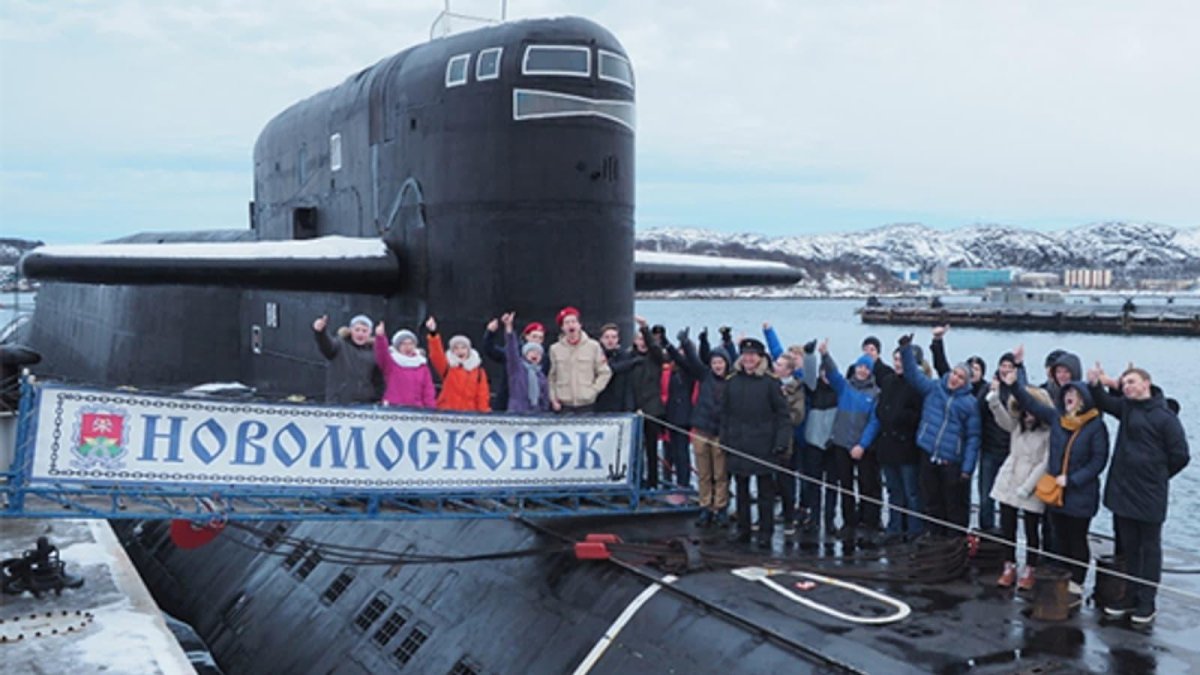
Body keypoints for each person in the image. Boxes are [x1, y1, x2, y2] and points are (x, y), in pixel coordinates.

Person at [1091, 365, 1189, 624]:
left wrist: (1158, 475)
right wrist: (1095, 383)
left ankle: (1147, 601)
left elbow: (1181, 455)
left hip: (1149, 493)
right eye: (1125, 384)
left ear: (1147, 383)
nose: (1127, 387)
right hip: (1124, 490)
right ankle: (1129, 595)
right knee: (1130, 548)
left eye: (1132, 382)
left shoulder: (1165, 417)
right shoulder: (1126, 408)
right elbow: (1102, 401)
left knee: (1149, 549)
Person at [1010, 345, 1108, 602]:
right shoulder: (1057, 418)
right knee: (1058, 536)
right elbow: (1030, 401)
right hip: (1055, 493)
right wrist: (1014, 382)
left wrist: (1072, 479)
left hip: (1080, 493)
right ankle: (1060, 575)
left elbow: (1098, 461)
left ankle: (1077, 582)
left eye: (1074, 394)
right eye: (1066, 394)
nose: (1068, 397)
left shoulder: (1095, 425)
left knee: (1077, 539)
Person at [899, 334, 981, 539]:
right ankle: (934, 538)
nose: (955, 378)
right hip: (928, 453)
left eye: (961, 377)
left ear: (966, 382)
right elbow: (912, 375)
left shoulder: (970, 404)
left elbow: (973, 437)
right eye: (955, 373)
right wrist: (906, 350)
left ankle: (953, 542)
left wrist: (968, 468)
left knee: (952, 505)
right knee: (931, 501)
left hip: (951, 460)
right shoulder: (935, 388)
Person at [721, 337, 790, 546]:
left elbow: (783, 416)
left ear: (760, 358)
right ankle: (743, 529)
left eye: (752, 355)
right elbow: (725, 414)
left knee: (765, 493)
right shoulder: (732, 382)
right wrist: (725, 439)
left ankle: (765, 532)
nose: (748, 358)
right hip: (738, 444)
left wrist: (780, 443)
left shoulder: (770, 383)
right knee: (741, 491)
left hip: (763, 445)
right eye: (745, 355)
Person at [987, 374, 1052, 590]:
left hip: (1031, 482)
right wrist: (994, 399)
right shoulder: (1017, 426)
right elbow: (1003, 421)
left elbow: (1045, 462)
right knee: (1008, 527)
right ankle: (1009, 566)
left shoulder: (1048, 433)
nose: (1028, 415)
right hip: (1009, 479)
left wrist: (1028, 486)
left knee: (1032, 530)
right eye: (1025, 411)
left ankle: (1030, 569)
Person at [820, 340, 881, 541]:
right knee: (845, 485)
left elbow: (874, 423)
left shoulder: (875, 393)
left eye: (866, 368)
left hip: (861, 447)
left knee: (866, 485)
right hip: (841, 444)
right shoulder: (845, 387)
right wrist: (825, 355)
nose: (862, 370)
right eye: (859, 366)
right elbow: (833, 374)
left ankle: (868, 521)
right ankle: (848, 521)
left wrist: (862, 445)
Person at [872, 344, 926, 541]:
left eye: (901, 360)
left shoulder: (917, 385)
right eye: (895, 359)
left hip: (907, 446)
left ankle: (914, 530)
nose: (898, 364)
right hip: (888, 445)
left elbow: (919, 415)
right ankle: (894, 527)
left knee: (911, 492)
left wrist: (900, 416)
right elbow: (881, 408)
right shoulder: (888, 381)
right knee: (894, 490)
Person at [682, 330, 733, 527]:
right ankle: (705, 507)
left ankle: (720, 507)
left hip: (720, 434)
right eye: (714, 363)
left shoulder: (732, 381)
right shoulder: (705, 376)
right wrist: (686, 342)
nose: (717, 366)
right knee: (704, 473)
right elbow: (694, 360)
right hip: (702, 431)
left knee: (720, 474)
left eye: (720, 362)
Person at [801, 340, 841, 533]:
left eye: (828, 373)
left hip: (832, 445)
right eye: (822, 373)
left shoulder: (840, 391)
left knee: (832, 486)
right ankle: (814, 517)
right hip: (814, 443)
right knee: (813, 484)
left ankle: (830, 519)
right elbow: (808, 374)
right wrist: (809, 354)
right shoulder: (813, 388)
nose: (825, 376)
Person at [976, 354, 1016, 532]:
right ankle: (986, 529)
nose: (1005, 369)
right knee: (986, 496)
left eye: (1009, 366)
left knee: (1007, 497)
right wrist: (990, 392)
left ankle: (1006, 532)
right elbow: (978, 410)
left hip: (1010, 450)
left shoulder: (1018, 390)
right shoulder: (988, 388)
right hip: (989, 449)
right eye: (1003, 365)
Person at [547, 306, 612, 414]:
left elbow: (605, 372)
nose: (571, 325)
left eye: (573, 321)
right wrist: (553, 398)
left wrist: (593, 390)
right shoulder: (555, 349)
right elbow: (552, 377)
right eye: (567, 323)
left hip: (586, 404)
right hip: (564, 405)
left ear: (579, 325)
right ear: (562, 327)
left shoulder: (593, 346)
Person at [628, 316, 667, 488]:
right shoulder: (630, 358)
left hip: (652, 410)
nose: (642, 342)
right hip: (635, 410)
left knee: (651, 449)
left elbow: (655, 347)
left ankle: (653, 482)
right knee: (635, 450)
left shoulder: (655, 358)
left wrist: (645, 328)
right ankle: (636, 481)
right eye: (639, 339)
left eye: (644, 340)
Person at [312, 313, 382, 405]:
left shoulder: (375, 352)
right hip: (339, 402)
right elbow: (327, 346)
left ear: (370, 333)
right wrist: (320, 333)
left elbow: (379, 380)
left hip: (365, 405)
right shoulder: (340, 344)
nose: (360, 333)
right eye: (357, 330)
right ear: (350, 330)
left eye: (364, 331)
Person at [772, 351, 807, 534]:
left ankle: (789, 517)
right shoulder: (769, 384)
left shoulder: (796, 389)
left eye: (779, 365)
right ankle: (765, 517)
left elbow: (797, 416)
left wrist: (779, 412)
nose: (775, 367)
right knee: (768, 481)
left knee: (786, 480)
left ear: (788, 370)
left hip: (786, 441)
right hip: (767, 439)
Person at [424, 317, 490, 412]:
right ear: (452, 351)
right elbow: (436, 355)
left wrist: (483, 415)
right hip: (447, 413)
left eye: (463, 347)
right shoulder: (448, 367)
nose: (460, 351)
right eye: (456, 348)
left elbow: (483, 395)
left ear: (469, 350)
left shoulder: (479, 372)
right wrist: (433, 334)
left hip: (469, 416)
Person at [482, 316, 547, 411]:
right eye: (534, 336)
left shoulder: (542, 359)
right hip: (509, 399)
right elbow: (490, 350)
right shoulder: (513, 353)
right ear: (526, 336)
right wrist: (490, 333)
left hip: (532, 406)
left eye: (540, 338)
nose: (537, 340)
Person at [662, 328, 698, 488]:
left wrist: (685, 343)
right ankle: (668, 482)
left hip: (683, 417)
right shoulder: (670, 371)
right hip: (670, 415)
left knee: (682, 454)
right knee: (669, 453)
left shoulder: (691, 371)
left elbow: (689, 360)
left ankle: (683, 484)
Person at [373, 321, 436, 409]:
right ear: (398, 346)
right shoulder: (391, 362)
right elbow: (381, 354)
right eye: (404, 344)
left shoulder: (421, 365)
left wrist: (431, 410)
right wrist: (380, 337)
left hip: (417, 410)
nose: (408, 347)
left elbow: (428, 390)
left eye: (411, 344)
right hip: (393, 408)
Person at [502, 312, 550, 413]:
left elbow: (544, 398)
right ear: (525, 354)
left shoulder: (541, 376)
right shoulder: (517, 368)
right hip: (517, 412)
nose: (535, 355)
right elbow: (511, 350)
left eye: (538, 353)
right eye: (532, 352)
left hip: (535, 414)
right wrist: (509, 329)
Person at [594, 323, 639, 413]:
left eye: (613, 337)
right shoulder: (595, 356)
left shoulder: (625, 356)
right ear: (601, 339)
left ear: (618, 339)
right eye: (607, 337)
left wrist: (629, 408)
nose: (610, 340)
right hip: (599, 405)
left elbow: (628, 386)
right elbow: (608, 369)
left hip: (619, 405)